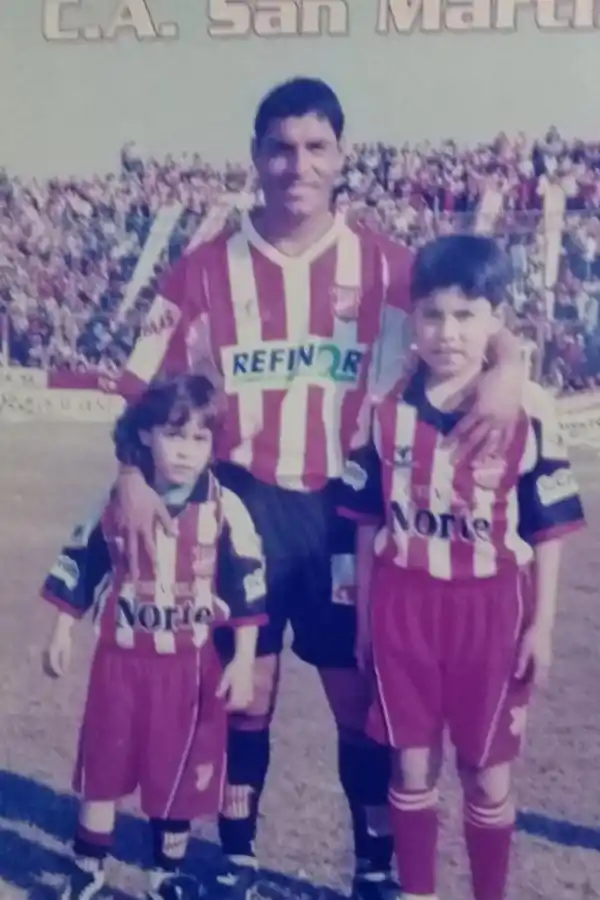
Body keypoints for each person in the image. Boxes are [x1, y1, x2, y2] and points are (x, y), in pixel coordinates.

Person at [103, 78, 526, 900]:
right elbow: (137, 383)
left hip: (344, 508)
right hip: (242, 504)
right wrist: (129, 474)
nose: (297, 164)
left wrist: (509, 368)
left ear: (341, 158)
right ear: (256, 158)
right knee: (245, 690)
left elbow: (472, 318)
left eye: (315, 147)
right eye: (280, 147)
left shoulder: (388, 267)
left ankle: (372, 864)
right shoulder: (200, 271)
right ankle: (238, 856)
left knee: (355, 691)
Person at [337, 234, 586, 900]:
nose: (448, 332)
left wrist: (543, 627)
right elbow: (365, 529)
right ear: (412, 321)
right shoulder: (382, 412)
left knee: (486, 771)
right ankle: (418, 891)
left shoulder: (526, 408)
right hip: (403, 606)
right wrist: (364, 620)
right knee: (410, 763)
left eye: (466, 315)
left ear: (495, 320)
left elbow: (548, 529)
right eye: (433, 316)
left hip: (492, 607)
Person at [42, 375, 267, 900]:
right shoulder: (117, 499)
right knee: (104, 764)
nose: (186, 452)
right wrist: (61, 629)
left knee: (179, 775)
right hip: (121, 662)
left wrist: (244, 659)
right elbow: (81, 561)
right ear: (145, 436)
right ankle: (88, 868)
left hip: (189, 667)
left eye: (199, 440)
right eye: (174, 436)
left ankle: (165, 875)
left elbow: (248, 582)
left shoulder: (225, 508)